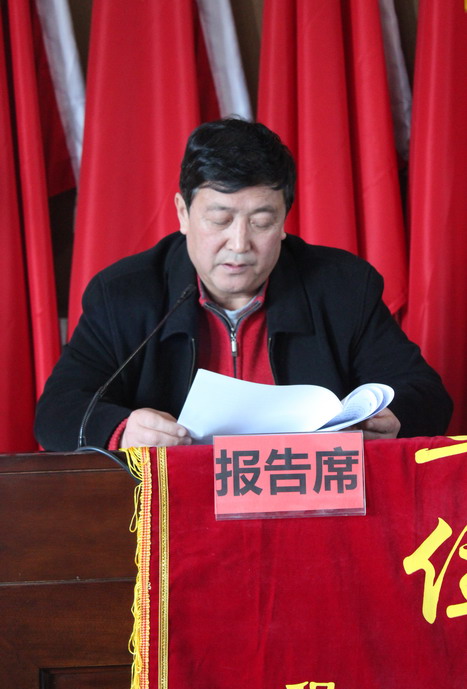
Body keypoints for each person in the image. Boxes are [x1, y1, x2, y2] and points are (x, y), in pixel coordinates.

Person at [35, 118, 452, 451]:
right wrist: (122, 429)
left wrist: (393, 420)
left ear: (284, 220)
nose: (239, 244)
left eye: (261, 222)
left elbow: (426, 395)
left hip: (308, 503)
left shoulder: (343, 287)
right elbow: (57, 411)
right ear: (183, 213)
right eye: (220, 220)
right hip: (175, 508)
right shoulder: (124, 294)